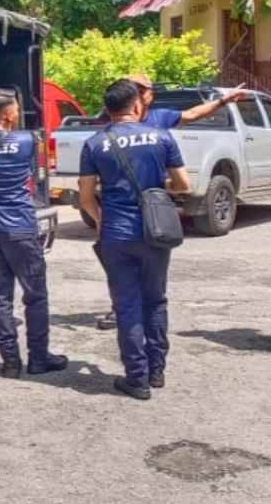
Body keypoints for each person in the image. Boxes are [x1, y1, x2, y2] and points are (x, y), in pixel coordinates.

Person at [94, 73, 245, 330]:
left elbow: (193, 114)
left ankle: (146, 311)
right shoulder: (113, 121)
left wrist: (222, 101)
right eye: (133, 89)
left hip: (153, 206)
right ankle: (122, 309)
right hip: (119, 207)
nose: (138, 93)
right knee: (121, 265)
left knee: (152, 262)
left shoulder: (160, 118)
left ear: (149, 96)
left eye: (142, 89)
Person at [78, 79, 191, 400]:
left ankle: (136, 378)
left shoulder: (94, 144)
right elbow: (183, 185)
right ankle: (156, 371)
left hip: (116, 232)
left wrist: (101, 220)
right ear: (137, 105)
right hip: (155, 231)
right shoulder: (161, 136)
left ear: (107, 109)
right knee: (155, 300)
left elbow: (85, 198)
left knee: (127, 304)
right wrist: (156, 189)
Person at [0, 89, 68, 378]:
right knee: (35, 296)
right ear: (8, 115)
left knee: (0, 298)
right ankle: (39, 358)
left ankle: (10, 362)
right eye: (16, 109)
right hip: (20, 228)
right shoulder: (26, 140)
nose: (19, 113)